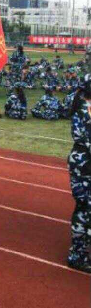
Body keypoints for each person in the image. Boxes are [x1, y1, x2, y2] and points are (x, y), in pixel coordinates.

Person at [66, 74, 91, 273]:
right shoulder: (85, 110)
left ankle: (79, 252)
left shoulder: (82, 106)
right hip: (85, 165)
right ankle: (77, 255)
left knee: (83, 208)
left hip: (81, 162)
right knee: (84, 209)